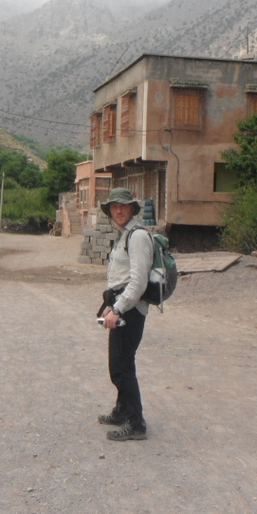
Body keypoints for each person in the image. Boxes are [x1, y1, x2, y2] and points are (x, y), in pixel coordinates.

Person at [97, 187, 154, 441]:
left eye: (123, 206)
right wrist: (110, 305)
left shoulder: (138, 236)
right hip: (121, 307)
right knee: (119, 362)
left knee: (121, 366)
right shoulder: (125, 235)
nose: (118, 210)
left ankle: (135, 423)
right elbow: (120, 278)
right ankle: (122, 410)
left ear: (132, 208)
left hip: (130, 310)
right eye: (113, 207)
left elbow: (138, 282)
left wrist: (118, 309)